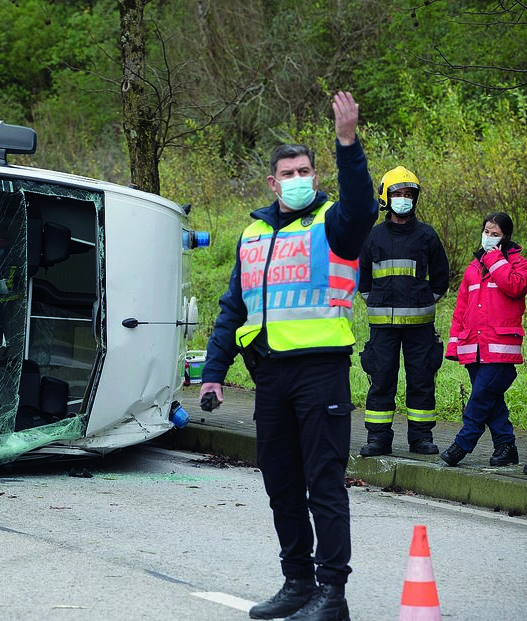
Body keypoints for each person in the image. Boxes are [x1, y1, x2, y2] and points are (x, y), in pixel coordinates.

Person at [198, 91, 377, 621]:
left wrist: (348, 143)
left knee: (323, 485)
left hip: (320, 373)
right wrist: (212, 374)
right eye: (288, 172)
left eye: (306, 170)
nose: (298, 178)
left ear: (315, 176)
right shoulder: (252, 234)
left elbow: (364, 205)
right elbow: (234, 307)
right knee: (281, 485)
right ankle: (297, 581)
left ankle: (332, 594)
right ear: (272, 183)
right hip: (269, 378)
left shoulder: (334, 225)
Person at [357, 167, 450, 457]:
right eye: (398, 194)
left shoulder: (426, 236)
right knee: (381, 379)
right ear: (386, 197)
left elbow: (440, 278)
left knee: (421, 379)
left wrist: (422, 300)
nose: (404, 199)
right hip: (382, 326)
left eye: (409, 194)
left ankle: (421, 438)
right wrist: (379, 304)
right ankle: (378, 438)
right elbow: (363, 282)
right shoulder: (373, 237)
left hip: (420, 325)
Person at [441, 212, 527, 468]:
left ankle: (462, 444)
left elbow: (515, 287)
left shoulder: (518, 264)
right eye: (486, 232)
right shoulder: (473, 267)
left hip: (499, 348)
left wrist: (494, 258)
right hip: (472, 347)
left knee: (480, 399)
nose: (488, 238)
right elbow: (461, 309)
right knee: (491, 400)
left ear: (506, 238)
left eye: (495, 234)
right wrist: (455, 343)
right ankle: (506, 445)